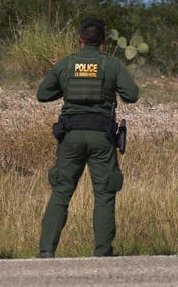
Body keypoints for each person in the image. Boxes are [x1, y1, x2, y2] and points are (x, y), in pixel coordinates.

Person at [37, 18, 139, 258]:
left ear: (79, 39)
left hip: (70, 136)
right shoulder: (111, 65)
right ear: (103, 40)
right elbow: (132, 95)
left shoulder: (67, 64)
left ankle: (46, 251)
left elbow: (43, 93)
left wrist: (68, 88)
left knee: (62, 191)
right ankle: (102, 252)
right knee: (104, 192)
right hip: (101, 138)